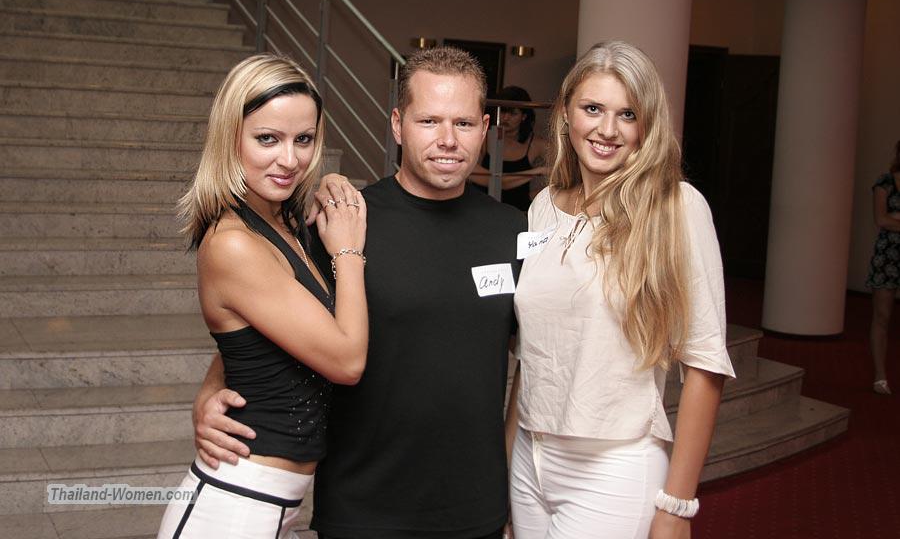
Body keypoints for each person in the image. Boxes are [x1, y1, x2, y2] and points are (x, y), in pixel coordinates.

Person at [191, 46, 526, 538]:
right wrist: (212, 387)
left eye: (464, 123)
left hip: (476, 508)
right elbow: (264, 321)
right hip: (363, 510)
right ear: (398, 125)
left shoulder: (514, 232)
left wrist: (515, 489)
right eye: (429, 121)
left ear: (485, 127)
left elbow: (537, 364)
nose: (448, 140)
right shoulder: (340, 222)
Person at [507, 40, 735, 539]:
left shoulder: (676, 207)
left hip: (613, 466)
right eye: (592, 108)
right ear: (566, 113)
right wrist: (507, 468)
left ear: (647, 125)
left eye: (627, 114)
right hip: (529, 457)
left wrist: (677, 505)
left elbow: (705, 364)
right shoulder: (543, 205)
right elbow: (532, 356)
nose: (607, 130)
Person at [156, 54, 368, 538]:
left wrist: (331, 182)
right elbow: (347, 360)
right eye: (267, 139)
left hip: (270, 502)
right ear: (230, 137)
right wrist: (348, 250)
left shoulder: (281, 221)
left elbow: (254, 337)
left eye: (304, 139)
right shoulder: (233, 243)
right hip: (234, 504)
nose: (289, 160)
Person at [469, 85, 549, 210]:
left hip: (519, 211)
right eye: (503, 111)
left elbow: (567, 169)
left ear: (524, 116)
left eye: (513, 113)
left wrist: (538, 196)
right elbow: (496, 181)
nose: (506, 117)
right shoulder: (483, 137)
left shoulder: (536, 144)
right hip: (482, 208)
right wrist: (536, 171)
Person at [865, 140, 900, 395]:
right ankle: (880, 377)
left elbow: (891, 220)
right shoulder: (885, 182)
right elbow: (881, 219)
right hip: (888, 256)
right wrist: (890, 219)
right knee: (882, 316)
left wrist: (895, 218)